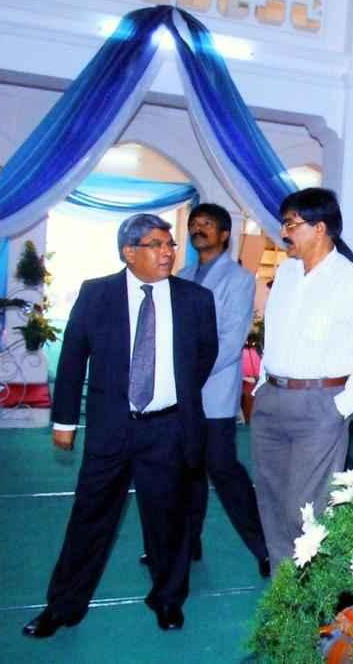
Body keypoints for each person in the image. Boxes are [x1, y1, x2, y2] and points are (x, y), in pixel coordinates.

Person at [23, 214, 217, 637]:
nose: (168, 252)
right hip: (111, 427)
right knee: (89, 518)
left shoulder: (195, 299)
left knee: (168, 521)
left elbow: (204, 356)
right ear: (129, 252)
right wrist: (65, 421)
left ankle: (168, 599)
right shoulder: (97, 294)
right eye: (156, 245)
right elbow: (73, 359)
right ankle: (63, 606)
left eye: (170, 244)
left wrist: (172, 396)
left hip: (167, 429)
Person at [250, 187, 353, 564]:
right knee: (272, 504)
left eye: (291, 224)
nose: (284, 233)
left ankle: (314, 591)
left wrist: (340, 407)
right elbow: (273, 335)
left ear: (320, 228)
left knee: (306, 511)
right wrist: (262, 386)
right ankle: (284, 589)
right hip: (271, 401)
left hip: (320, 406)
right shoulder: (285, 273)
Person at [174, 203, 269, 577]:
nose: (198, 229)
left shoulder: (239, 279)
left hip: (212, 392)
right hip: (181, 395)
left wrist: (189, 375)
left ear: (225, 234)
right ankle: (186, 544)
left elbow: (230, 342)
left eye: (207, 224)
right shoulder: (181, 275)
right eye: (194, 224)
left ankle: (264, 547)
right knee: (187, 470)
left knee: (223, 469)